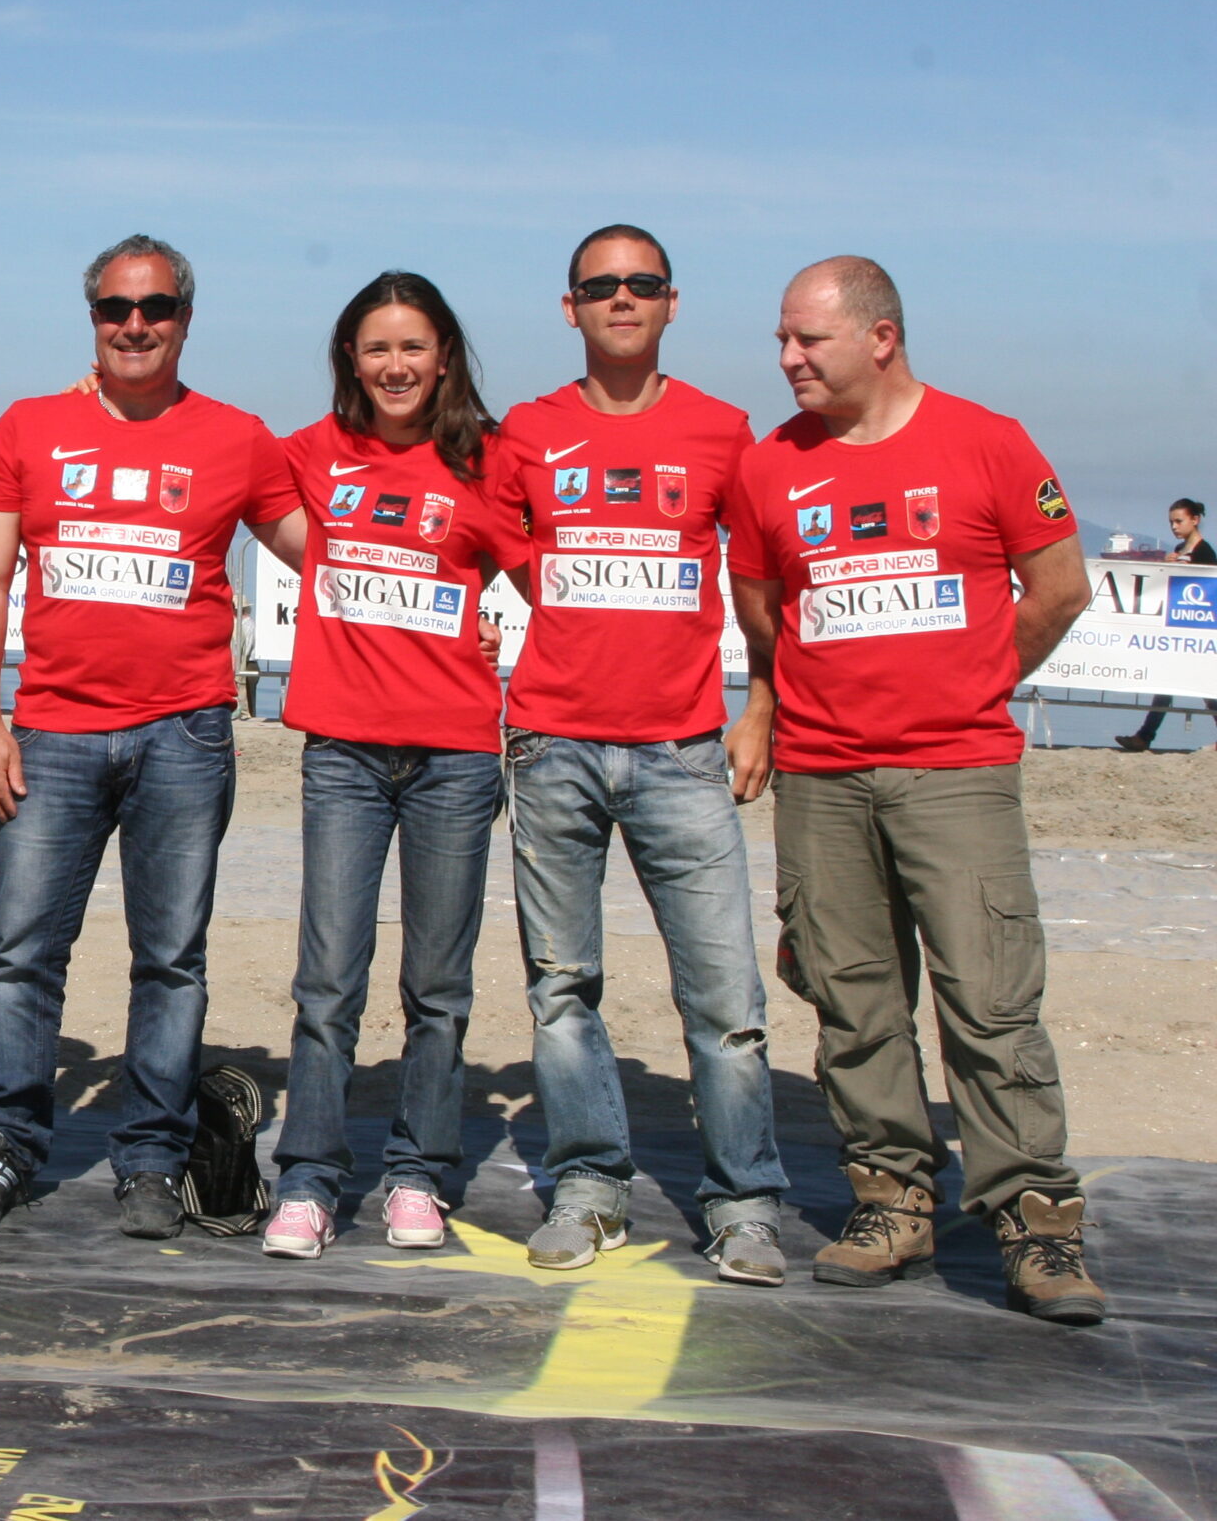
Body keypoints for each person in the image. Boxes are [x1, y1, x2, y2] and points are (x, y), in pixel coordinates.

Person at [729, 255, 1104, 1324]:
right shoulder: (769, 466)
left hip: (957, 772)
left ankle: (1034, 1221)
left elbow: (1060, 588)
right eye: (782, 339)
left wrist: (973, 682)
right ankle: (891, 1200)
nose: (787, 358)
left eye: (808, 339)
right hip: (822, 777)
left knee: (988, 1000)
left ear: (880, 337)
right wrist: (768, 708)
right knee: (852, 1000)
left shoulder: (988, 442)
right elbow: (763, 608)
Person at [0, 234, 303, 1236]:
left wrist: (457, 601)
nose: (134, 325)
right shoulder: (32, 425)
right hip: (51, 735)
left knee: (172, 960)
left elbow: (324, 549)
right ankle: (6, 1143)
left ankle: (150, 1156)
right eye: (115, 308)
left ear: (184, 318)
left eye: (154, 308)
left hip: (183, 738)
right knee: (22, 956)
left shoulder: (238, 436)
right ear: (92, 318)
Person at [481, 226, 790, 1284]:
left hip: (682, 749)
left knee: (726, 1002)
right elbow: (504, 547)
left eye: (642, 283)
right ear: (569, 307)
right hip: (553, 746)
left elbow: (760, 576)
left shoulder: (723, 430)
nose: (622, 297)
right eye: (601, 285)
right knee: (561, 989)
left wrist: (761, 707)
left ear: (670, 303)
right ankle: (588, 1185)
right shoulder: (526, 431)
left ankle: (744, 1203)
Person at [257, 272, 531, 1260]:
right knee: (328, 982)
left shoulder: (492, 460)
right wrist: (99, 390)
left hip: (455, 757)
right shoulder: (312, 451)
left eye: (413, 346)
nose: (395, 364)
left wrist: (491, 632)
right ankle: (309, 1179)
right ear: (350, 358)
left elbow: (554, 579)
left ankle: (417, 1173)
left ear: (444, 355)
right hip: (342, 754)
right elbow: (211, 459)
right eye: (376, 347)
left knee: (438, 988)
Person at [1116, 498, 1216, 751]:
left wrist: (1185, 568)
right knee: (1167, 683)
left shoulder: (1205, 552)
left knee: (1204, 686)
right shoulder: (1180, 549)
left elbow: (1207, 586)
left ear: (1195, 520)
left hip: (1197, 630)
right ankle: (1144, 736)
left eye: (1179, 521)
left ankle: (1144, 737)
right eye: (1171, 522)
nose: (1174, 526)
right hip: (1176, 628)